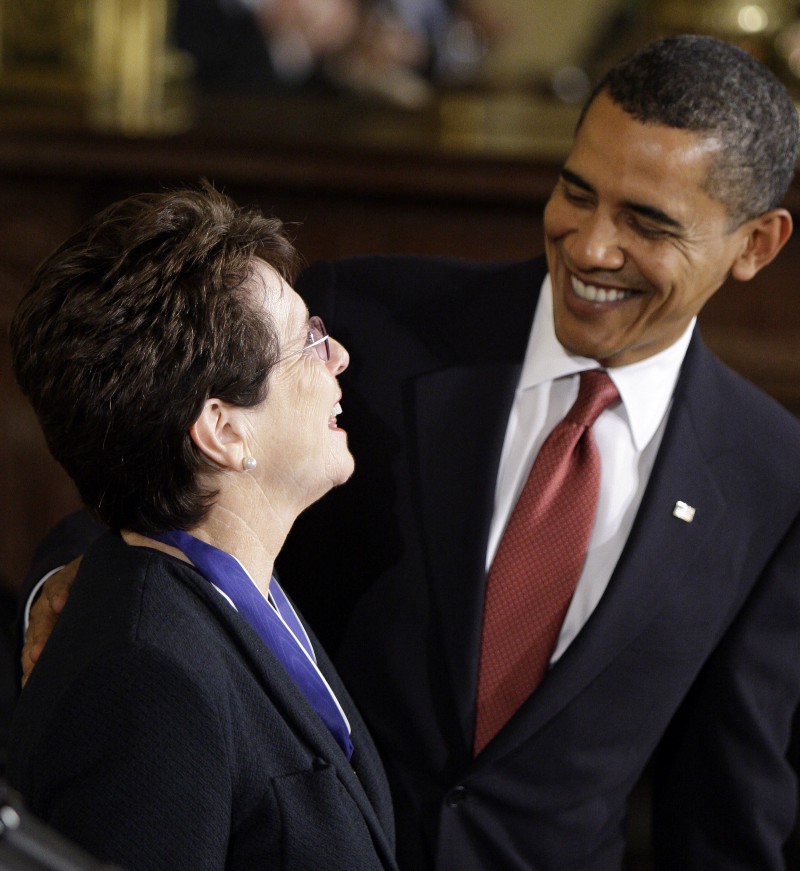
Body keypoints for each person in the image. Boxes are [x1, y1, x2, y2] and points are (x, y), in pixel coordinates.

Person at [20, 34, 800, 869]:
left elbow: (725, 805)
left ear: (756, 244)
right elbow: (151, 466)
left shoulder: (771, 475)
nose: (589, 246)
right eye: (577, 191)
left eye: (647, 223)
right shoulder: (368, 321)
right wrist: (77, 597)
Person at [8, 185, 397, 870]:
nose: (337, 357)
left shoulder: (231, 587)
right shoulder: (147, 679)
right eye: (307, 340)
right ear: (222, 428)